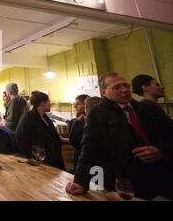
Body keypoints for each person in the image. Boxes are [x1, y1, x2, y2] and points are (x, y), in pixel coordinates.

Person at [66, 72, 173, 200]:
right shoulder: (97, 113)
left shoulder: (148, 109)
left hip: (160, 176)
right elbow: (89, 147)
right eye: (117, 87)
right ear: (104, 92)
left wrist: (161, 151)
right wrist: (80, 181)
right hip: (125, 182)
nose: (124, 90)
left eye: (126, 86)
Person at [15, 91, 65, 170]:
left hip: (53, 160)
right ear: (42, 103)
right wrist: (31, 156)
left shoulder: (45, 118)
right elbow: (21, 138)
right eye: (48, 101)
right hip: (39, 162)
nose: (50, 103)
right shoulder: (28, 118)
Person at [69, 96, 100, 170]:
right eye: (75, 105)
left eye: (78, 104)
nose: (76, 107)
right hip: (80, 156)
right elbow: (72, 141)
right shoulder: (75, 122)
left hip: (96, 160)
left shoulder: (98, 121)